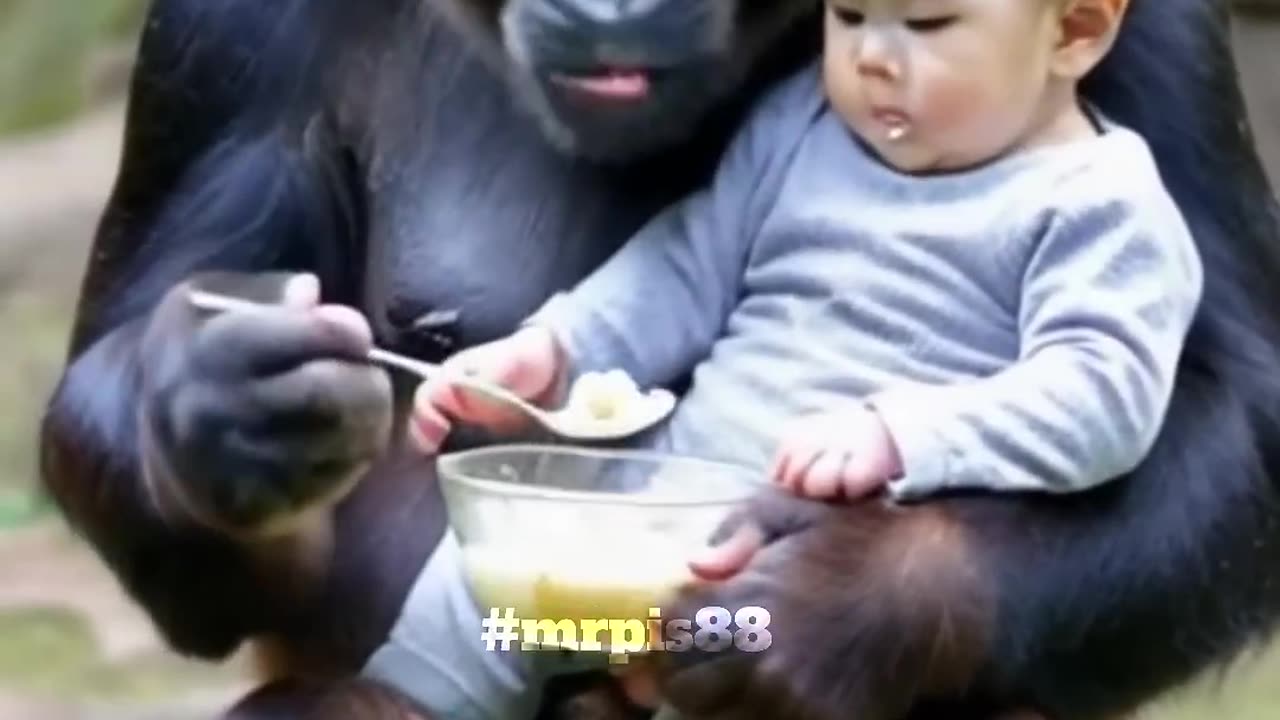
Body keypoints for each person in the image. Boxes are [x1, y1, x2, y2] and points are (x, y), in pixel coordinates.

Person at [412, 0, 1204, 508]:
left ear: (1078, 29)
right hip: (626, 533)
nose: (874, 60)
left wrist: (909, 459)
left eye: (926, 26)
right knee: (483, 617)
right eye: (850, 14)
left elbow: (1158, 407)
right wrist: (560, 348)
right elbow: (688, 264)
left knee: (724, 636)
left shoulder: (1099, 189)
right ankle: (420, 679)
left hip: (789, 570)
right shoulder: (806, 121)